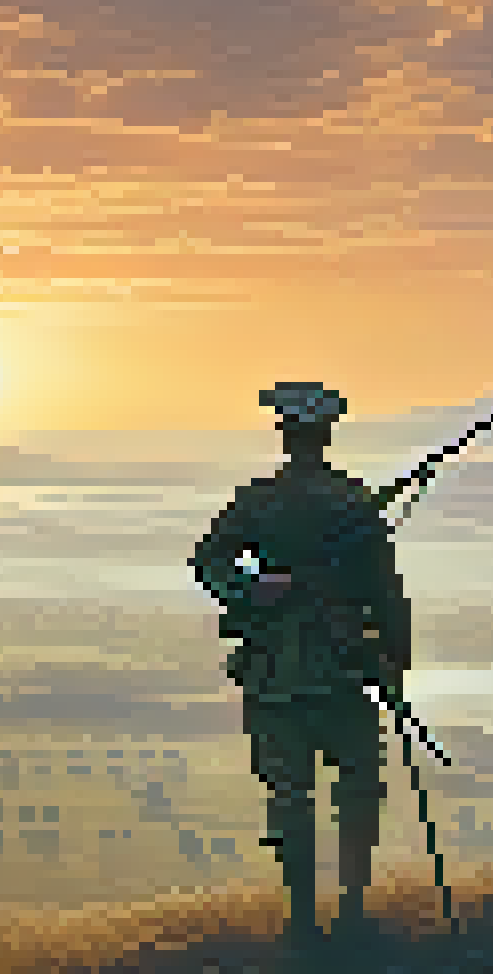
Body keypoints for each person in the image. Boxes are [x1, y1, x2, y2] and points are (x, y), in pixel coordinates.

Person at [190, 382, 409, 947]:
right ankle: (352, 910)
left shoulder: (259, 500)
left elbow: (209, 564)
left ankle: (304, 917)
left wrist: (253, 588)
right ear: (325, 433)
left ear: (287, 434)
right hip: (345, 669)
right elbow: (385, 592)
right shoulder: (353, 501)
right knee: (358, 787)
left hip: (276, 673)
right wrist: (395, 663)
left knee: (290, 796)